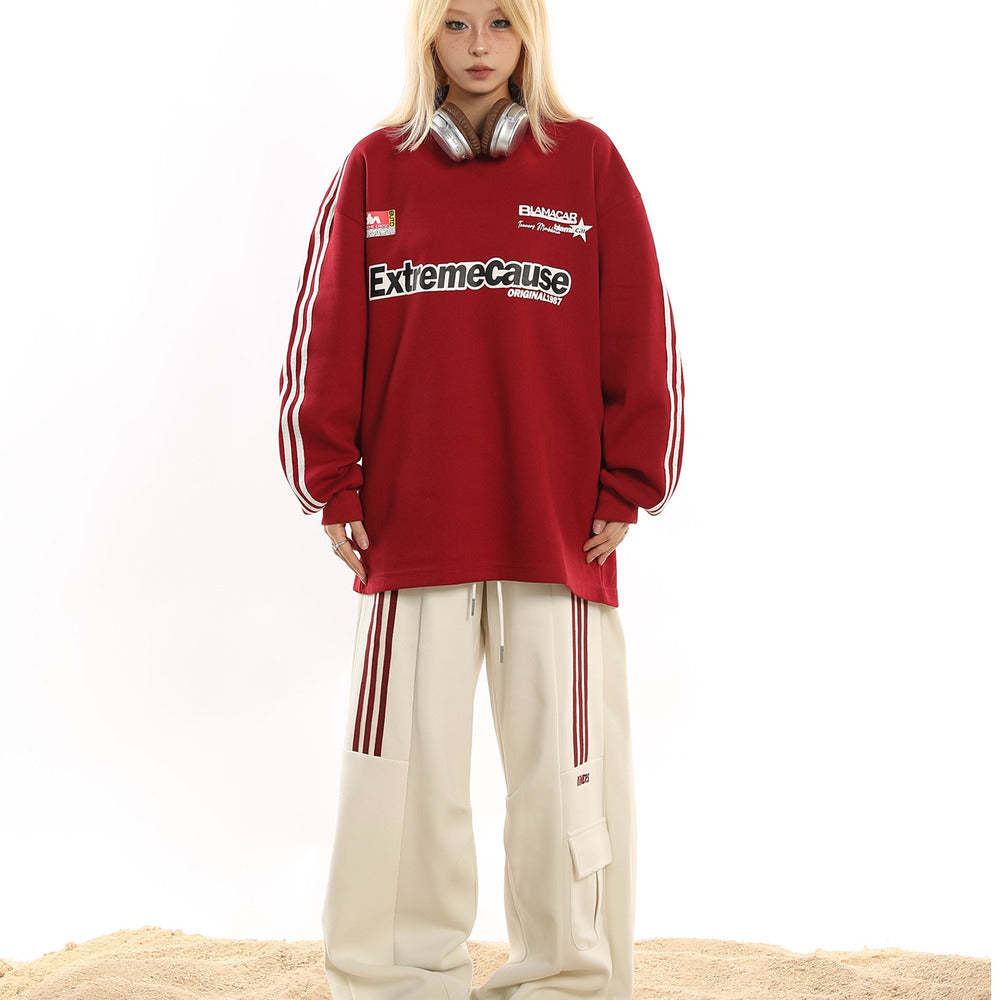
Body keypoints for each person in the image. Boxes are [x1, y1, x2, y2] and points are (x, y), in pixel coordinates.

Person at [277, 0, 685, 996]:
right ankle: (396, 976)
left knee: (567, 779)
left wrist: (632, 480)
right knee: (401, 777)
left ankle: (569, 977)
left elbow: (642, 328)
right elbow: (324, 336)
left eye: (499, 22)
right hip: (410, 524)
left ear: (529, 35)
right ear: (426, 35)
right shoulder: (373, 169)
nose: (477, 47)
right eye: (455, 23)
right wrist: (332, 483)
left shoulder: (589, 164)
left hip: (559, 526)